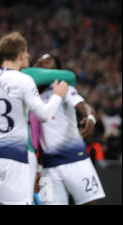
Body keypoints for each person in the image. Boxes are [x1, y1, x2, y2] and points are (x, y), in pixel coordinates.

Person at [0, 32, 68, 205]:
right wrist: (57, 96)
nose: (28, 56)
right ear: (20, 55)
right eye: (26, 52)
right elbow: (44, 115)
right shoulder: (24, 80)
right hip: (13, 157)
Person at [33, 53, 106, 205]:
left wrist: (90, 118)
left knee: (89, 203)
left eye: (47, 62)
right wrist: (38, 169)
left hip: (75, 159)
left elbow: (83, 105)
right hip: (47, 167)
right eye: (39, 62)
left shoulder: (63, 87)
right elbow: (38, 137)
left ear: (57, 69)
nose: (40, 64)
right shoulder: (32, 96)